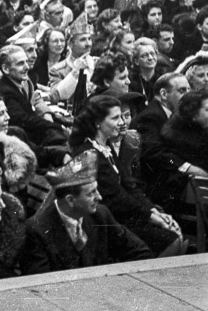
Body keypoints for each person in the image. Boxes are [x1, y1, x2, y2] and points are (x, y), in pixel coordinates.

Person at [70, 95, 185, 257]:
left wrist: (154, 211)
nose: (122, 123)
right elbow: (115, 197)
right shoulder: (89, 153)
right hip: (107, 221)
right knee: (170, 241)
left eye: (123, 117)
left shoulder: (106, 147)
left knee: (176, 237)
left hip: (125, 213)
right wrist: (150, 217)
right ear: (98, 122)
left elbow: (130, 185)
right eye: (116, 118)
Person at [21, 149, 153, 274]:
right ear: (71, 200)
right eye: (91, 193)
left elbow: (140, 251)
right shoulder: (36, 230)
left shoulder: (100, 215)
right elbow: (41, 286)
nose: (99, 197)